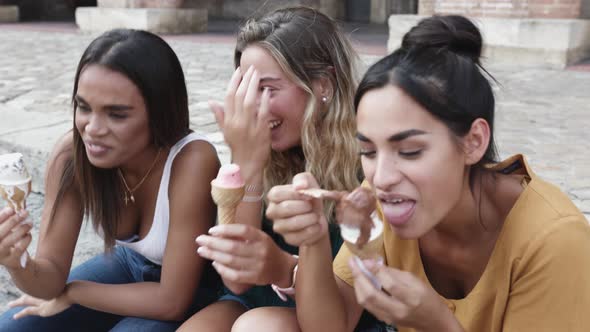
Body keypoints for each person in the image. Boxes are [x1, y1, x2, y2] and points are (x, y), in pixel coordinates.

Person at [266, 15, 590, 332]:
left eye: (409, 151)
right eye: (368, 151)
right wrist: (313, 240)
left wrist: (438, 324)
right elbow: (329, 326)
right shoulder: (382, 199)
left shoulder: (555, 242)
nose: (381, 176)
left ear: (473, 142)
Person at [0, 29, 221, 331]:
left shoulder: (192, 161)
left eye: (116, 114)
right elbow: (49, 279)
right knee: (12, 326)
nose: (92, 129)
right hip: (127, 266)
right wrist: (16, 261)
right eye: (83, 107)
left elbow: (172, 301)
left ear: (159, 112)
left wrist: (75, 291)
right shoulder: (71, 156)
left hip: (194, 290)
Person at [178, 6, 367, 332]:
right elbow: (236, 281)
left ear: (322, 85)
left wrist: (285, 268)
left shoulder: (369, 162)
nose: (251, 104)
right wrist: (247, 162)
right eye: (246, 88)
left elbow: (332, 324)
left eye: (268, 88)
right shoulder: (262, 149)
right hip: (257, 299)